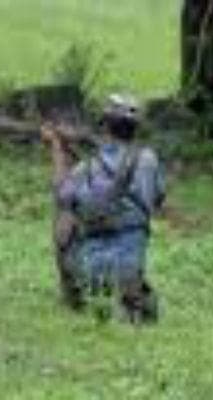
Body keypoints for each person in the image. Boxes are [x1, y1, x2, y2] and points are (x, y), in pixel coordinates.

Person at [42, 94, 165, 323]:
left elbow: (62, 195)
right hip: (132, 261)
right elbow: (157, 199)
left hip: (92, 266)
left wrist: (57, 148)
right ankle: (132, 297)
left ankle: (72, 293)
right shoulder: (149, 160)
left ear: (105, 126)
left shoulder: (87, 167)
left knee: (64, 217)